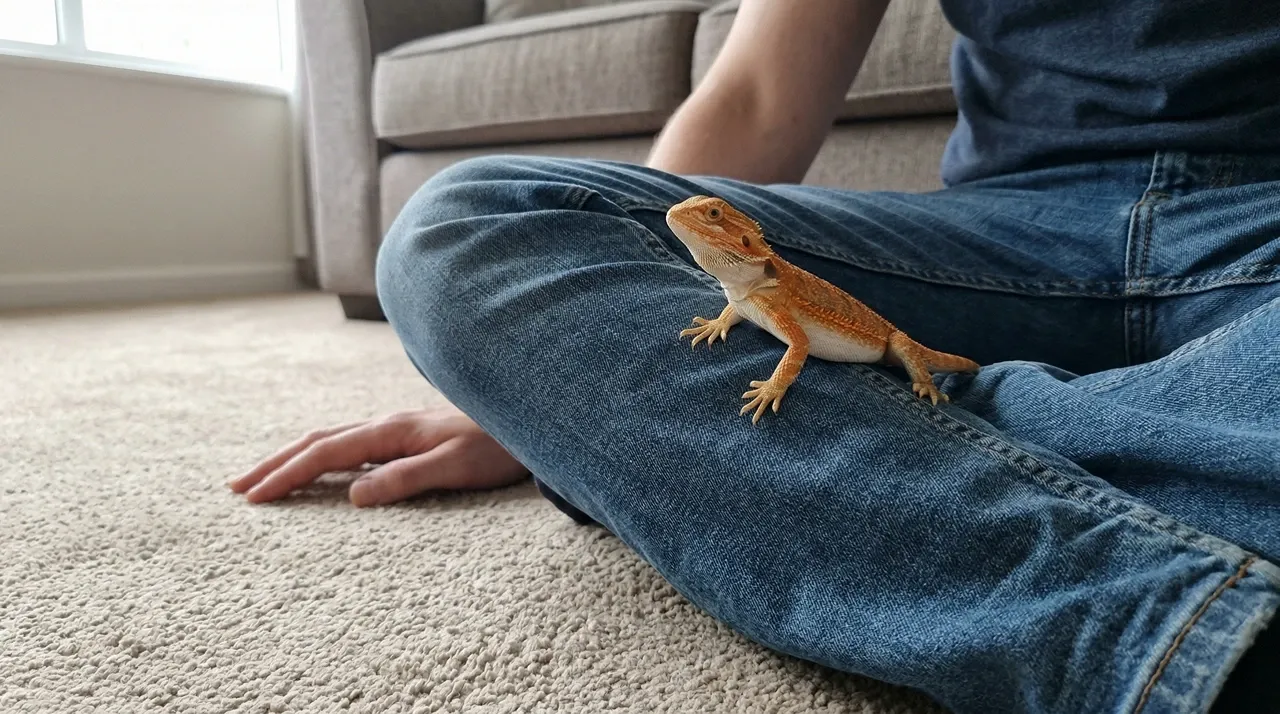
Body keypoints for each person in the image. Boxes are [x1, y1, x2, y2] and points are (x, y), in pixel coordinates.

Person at [228, 1, 1280, 711]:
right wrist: (572, 358)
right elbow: (759, 97)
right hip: (1000, 235)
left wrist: (617, 418)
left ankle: (908, 432)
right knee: (469, 226)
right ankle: (1186, 580)